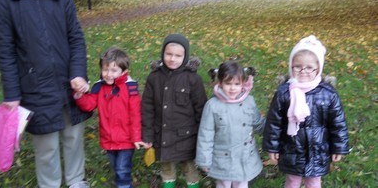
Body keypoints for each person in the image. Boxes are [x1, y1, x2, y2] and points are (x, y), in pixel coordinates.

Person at [0, 0, 91, 188]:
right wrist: (12, 94)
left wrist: (79, 74)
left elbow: (76, 39)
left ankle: (75, 180)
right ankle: (49, 184)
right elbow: (5, 50)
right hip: (34, 86)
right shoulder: (6, 1)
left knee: (73, 136)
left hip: (68, 82)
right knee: (46, 144)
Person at [262, 35, 349, 188]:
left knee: (314, 182)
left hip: (318, 149)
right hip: (292, 148)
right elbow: (274, 123)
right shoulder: (284, 93)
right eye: (297, 66)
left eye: (309, 67)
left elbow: (338, 123)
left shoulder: (328, 94)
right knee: (292, 181)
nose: (303, 71)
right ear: (291, 66)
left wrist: (339, 147)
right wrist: (272, 147)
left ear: (318, 68)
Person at [141, 34, 208, 188]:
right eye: (168, 54)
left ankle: (193, 185)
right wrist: (148, 134)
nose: (172, 59)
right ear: (162, 53)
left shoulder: (193, 79)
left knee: (189, 166)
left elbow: (201, 109)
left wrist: (202, 136)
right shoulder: (154, 78)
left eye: (178, 55)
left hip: (186, 136)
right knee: (166, 166)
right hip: (162, 134)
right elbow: (147, 108)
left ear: (185, 57)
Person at [74, 47, 145, 188]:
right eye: (105, 70)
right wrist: (79, 96)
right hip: (108, 137)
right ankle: (123, 181)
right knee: (116, 167)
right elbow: (89, 105)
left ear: (123, 72)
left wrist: (137, 137)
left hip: (126, 139)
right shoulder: (99, 87)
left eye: (114, 70)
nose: (108, 74)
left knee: (122, 169)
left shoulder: (130, 88)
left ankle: (124, 185)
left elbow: (136, 114)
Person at [196, 60, 265, 188]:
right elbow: (206, 134)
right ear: (220, 83)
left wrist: (273, 133)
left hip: (244, 157)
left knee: (242, 183)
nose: (232, 88)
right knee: (223, 184)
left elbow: (258, 122)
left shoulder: (249, 102)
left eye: (237, 84)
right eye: (228, 83)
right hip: (223, 158)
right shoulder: (212, 106)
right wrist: (204, 160)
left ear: (243, 83)